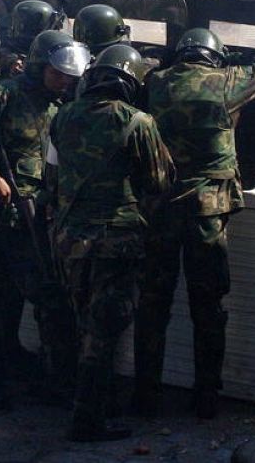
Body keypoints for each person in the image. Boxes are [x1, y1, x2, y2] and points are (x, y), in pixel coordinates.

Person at [134, 27, 255, 419]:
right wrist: (230, 59)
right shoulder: (226, 81)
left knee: (153, 304)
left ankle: (145, 394)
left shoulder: (157, 81)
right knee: (207, 306)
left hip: (160, 207)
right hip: (207, 211)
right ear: (212, 56)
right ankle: (205, 397)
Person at [0, 30, 90, 409]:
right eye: (58, 74)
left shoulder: (59, 105)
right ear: (41, 67)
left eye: (69, 76)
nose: (65, 81)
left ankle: (39, 372)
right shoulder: (6, 94)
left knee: (34, 293)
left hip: (25, 216)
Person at [47, 44, 174, 441]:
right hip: (115, 243)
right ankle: (87, 421)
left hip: (69, 240)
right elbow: (160, 181)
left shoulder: (62, 116)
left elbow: (51, 177)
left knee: (83, 324)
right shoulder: (138, 122)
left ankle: (82, 402)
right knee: (103, 334)